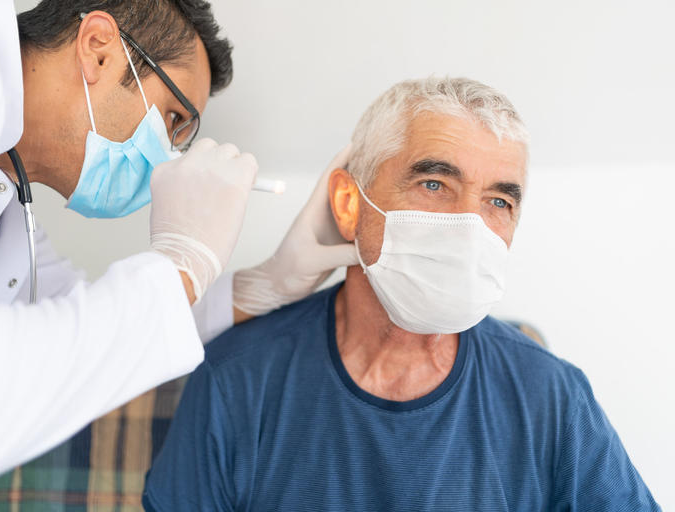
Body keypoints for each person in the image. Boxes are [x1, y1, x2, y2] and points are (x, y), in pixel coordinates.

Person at [0, 0, 355, 509]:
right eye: (172, 118)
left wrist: (261, 286)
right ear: (98, 49)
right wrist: (181, 264)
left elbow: (83, 319)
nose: (168, 154)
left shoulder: (5, 198)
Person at [143, 77, 660, 511]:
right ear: (350, 203)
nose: (469, 225)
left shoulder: (550, 396)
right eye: (434, 184)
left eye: (499, 200)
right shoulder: (239, 381)